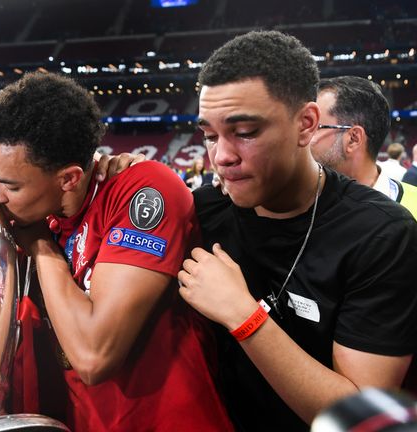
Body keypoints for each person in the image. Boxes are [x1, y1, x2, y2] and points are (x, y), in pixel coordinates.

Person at [179, 30, 417, 431]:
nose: (221, 156)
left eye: (245, 132)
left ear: (306, 124)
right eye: (209, 135)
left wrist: (243, 315)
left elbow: (362, 419)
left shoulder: (382, 234)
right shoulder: (202, 209)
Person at [0, 72, 232, 431]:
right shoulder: (38, 215)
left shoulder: (141, 189)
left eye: (10, 185)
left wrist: (41, 246)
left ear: (69, 178)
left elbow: (93, 357)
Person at [310, 75, 417, 216]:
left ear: (354, 138)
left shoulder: (412, 209)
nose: (303, 137)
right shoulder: (294, 206)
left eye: (316, 127)